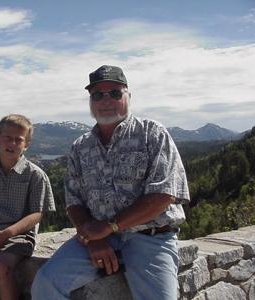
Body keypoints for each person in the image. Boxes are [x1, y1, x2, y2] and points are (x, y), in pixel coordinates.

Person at [31, 65, 190, 300]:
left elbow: (163, 195)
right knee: (46, 284)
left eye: (115, 93)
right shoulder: (80, 147)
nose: (106, 100)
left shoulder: (152, 134)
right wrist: (91, 238)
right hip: (99, 237)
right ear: (90, 102)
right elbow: (74, 201)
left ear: (128, 96)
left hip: (151, 237)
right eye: (97, 95)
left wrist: (109, 226)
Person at [0, 114, 55, 300]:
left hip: (19, 237)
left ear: (26, 144)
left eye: (18, 140)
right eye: (7, 137)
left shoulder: (35, 176)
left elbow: (37, 214)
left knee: (3, 269)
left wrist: (4, 235)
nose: (12, 143)